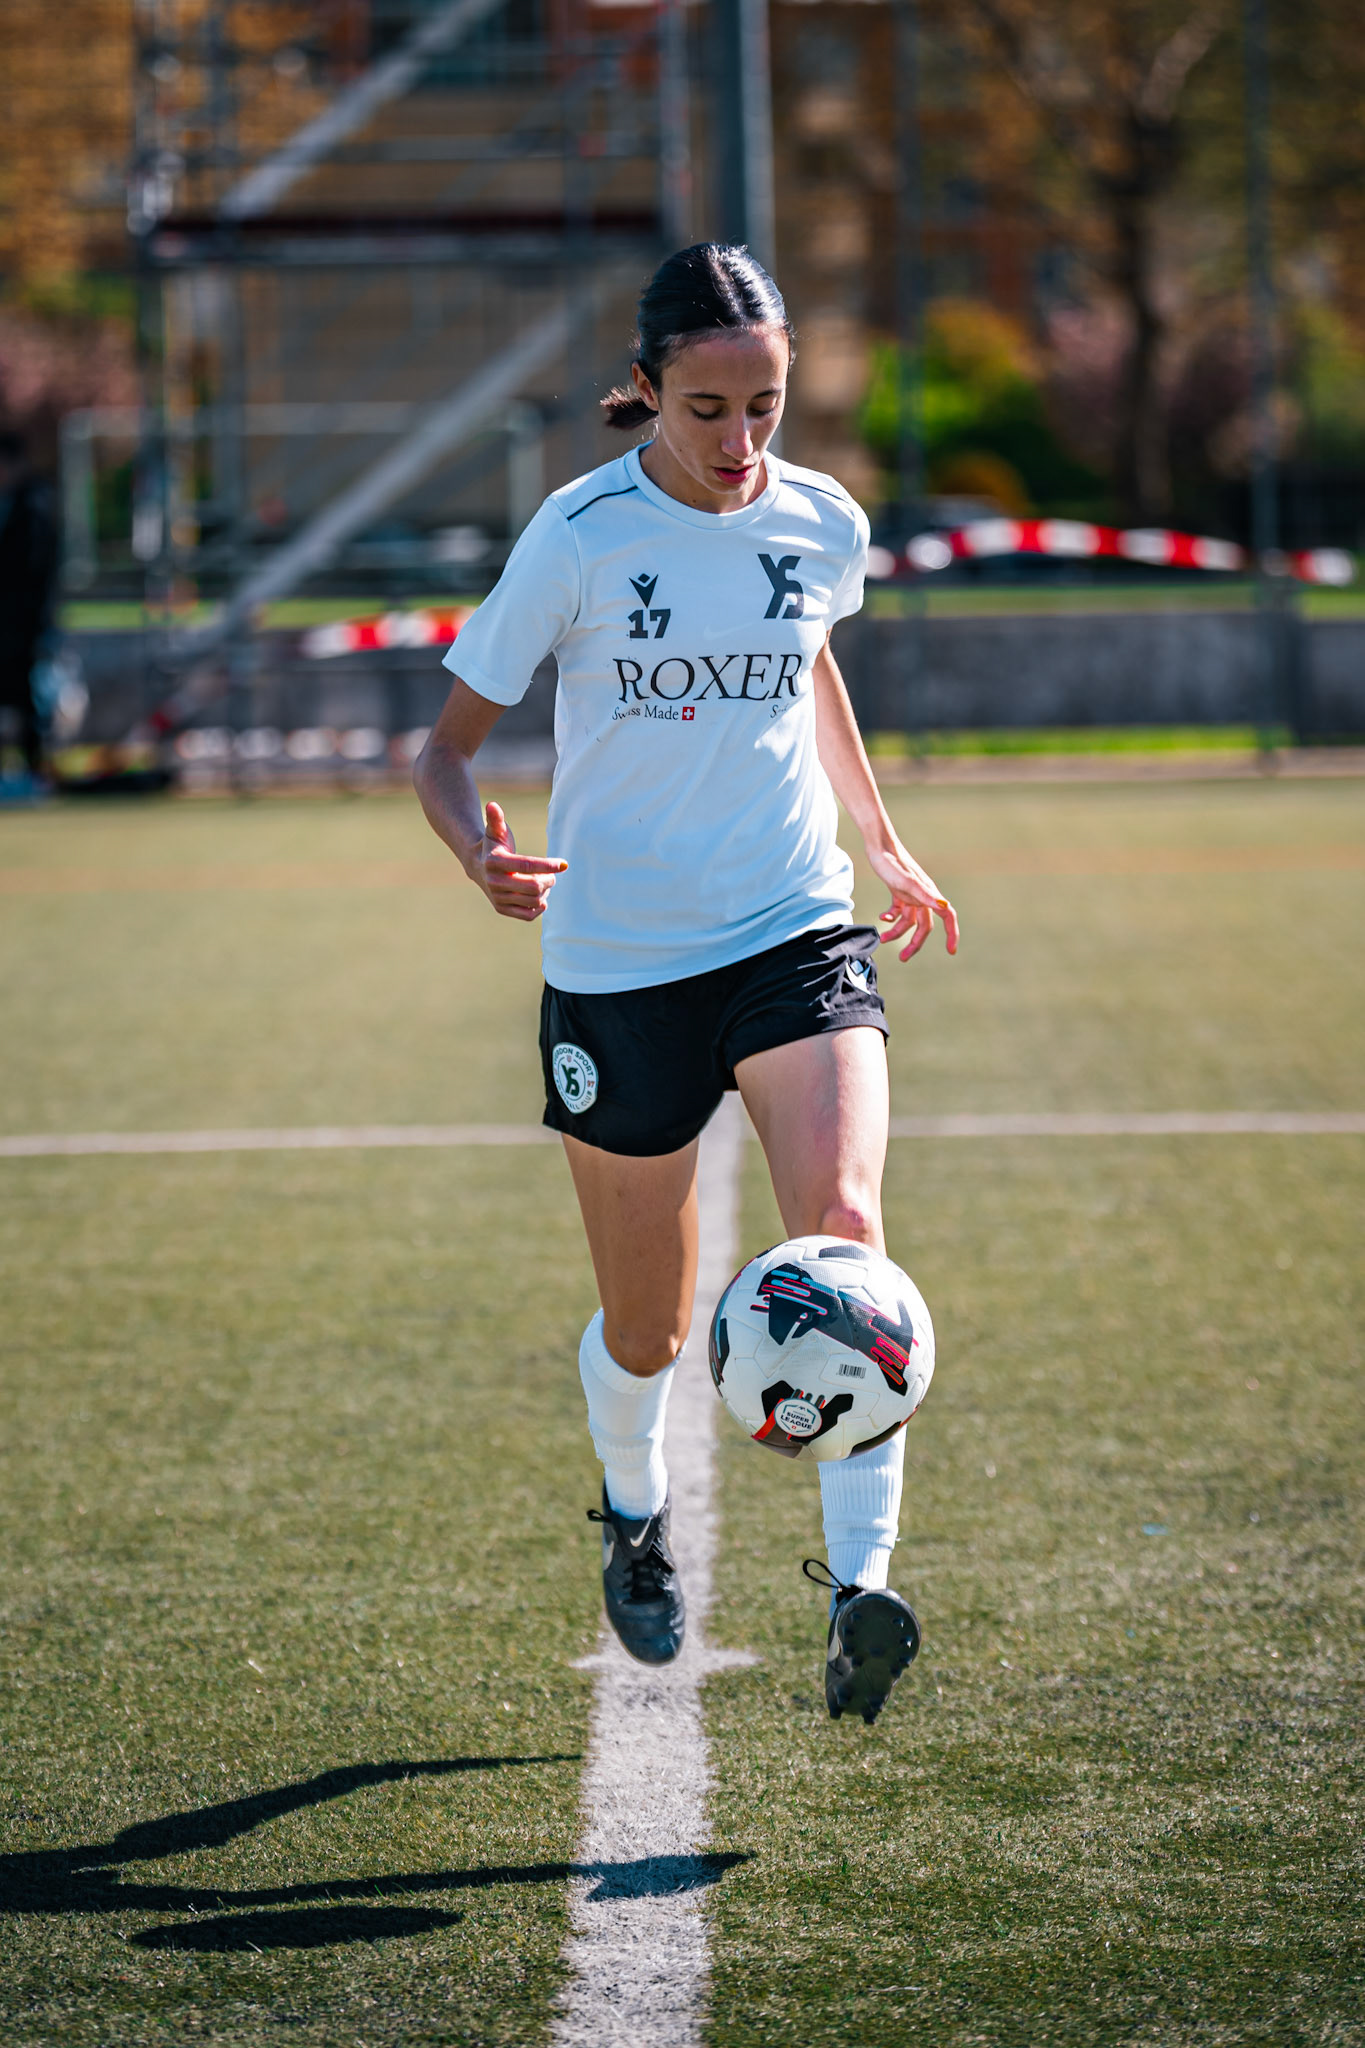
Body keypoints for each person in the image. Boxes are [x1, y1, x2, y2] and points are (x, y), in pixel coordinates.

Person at [415, 244, 958, 1725]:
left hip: (795, 931)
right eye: (709, 407)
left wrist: (884, 843)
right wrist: (481, 860)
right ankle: (635, 1512)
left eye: (766, 408)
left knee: (847, 1245)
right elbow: (443, 749)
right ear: (645, 388)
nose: (740, 444)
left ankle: (864, 1587)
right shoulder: (579, 535)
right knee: (650, 1330)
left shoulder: (820, 520)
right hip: (619, 970)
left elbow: (808, 663)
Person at [0, 431, 58, 790]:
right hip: (11, 623)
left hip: (21, 625)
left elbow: (34, 571)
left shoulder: (34, 505)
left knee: (23, 697)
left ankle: (34, 773)